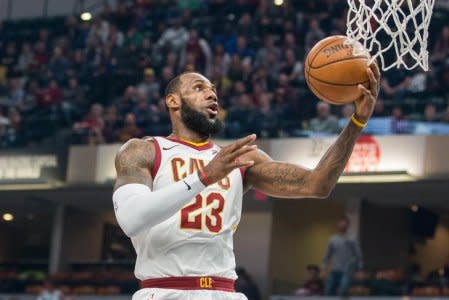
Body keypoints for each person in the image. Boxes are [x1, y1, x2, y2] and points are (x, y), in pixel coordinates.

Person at [112, 64, 380, 299]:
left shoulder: (238, 159)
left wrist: (356, 123)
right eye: (199, 87)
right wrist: (204, 177)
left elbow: (317, 184)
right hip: (165, 290)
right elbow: (131, 219)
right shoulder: (144, 150)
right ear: (172, 101)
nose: (212, 94)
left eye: (214, 89)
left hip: (225, 291)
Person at [322, 216, 363, 296]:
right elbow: (328, 255)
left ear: (348, 226)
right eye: (341, 224)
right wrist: (324, 268)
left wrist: (359, 269)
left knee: (343, 289)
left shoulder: (352, 238)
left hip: (347, 270)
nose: (342, 226)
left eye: (345, 224)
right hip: (335, 270)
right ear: (338, 225)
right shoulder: (333, 239)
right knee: (328, 291)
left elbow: (358, 254)